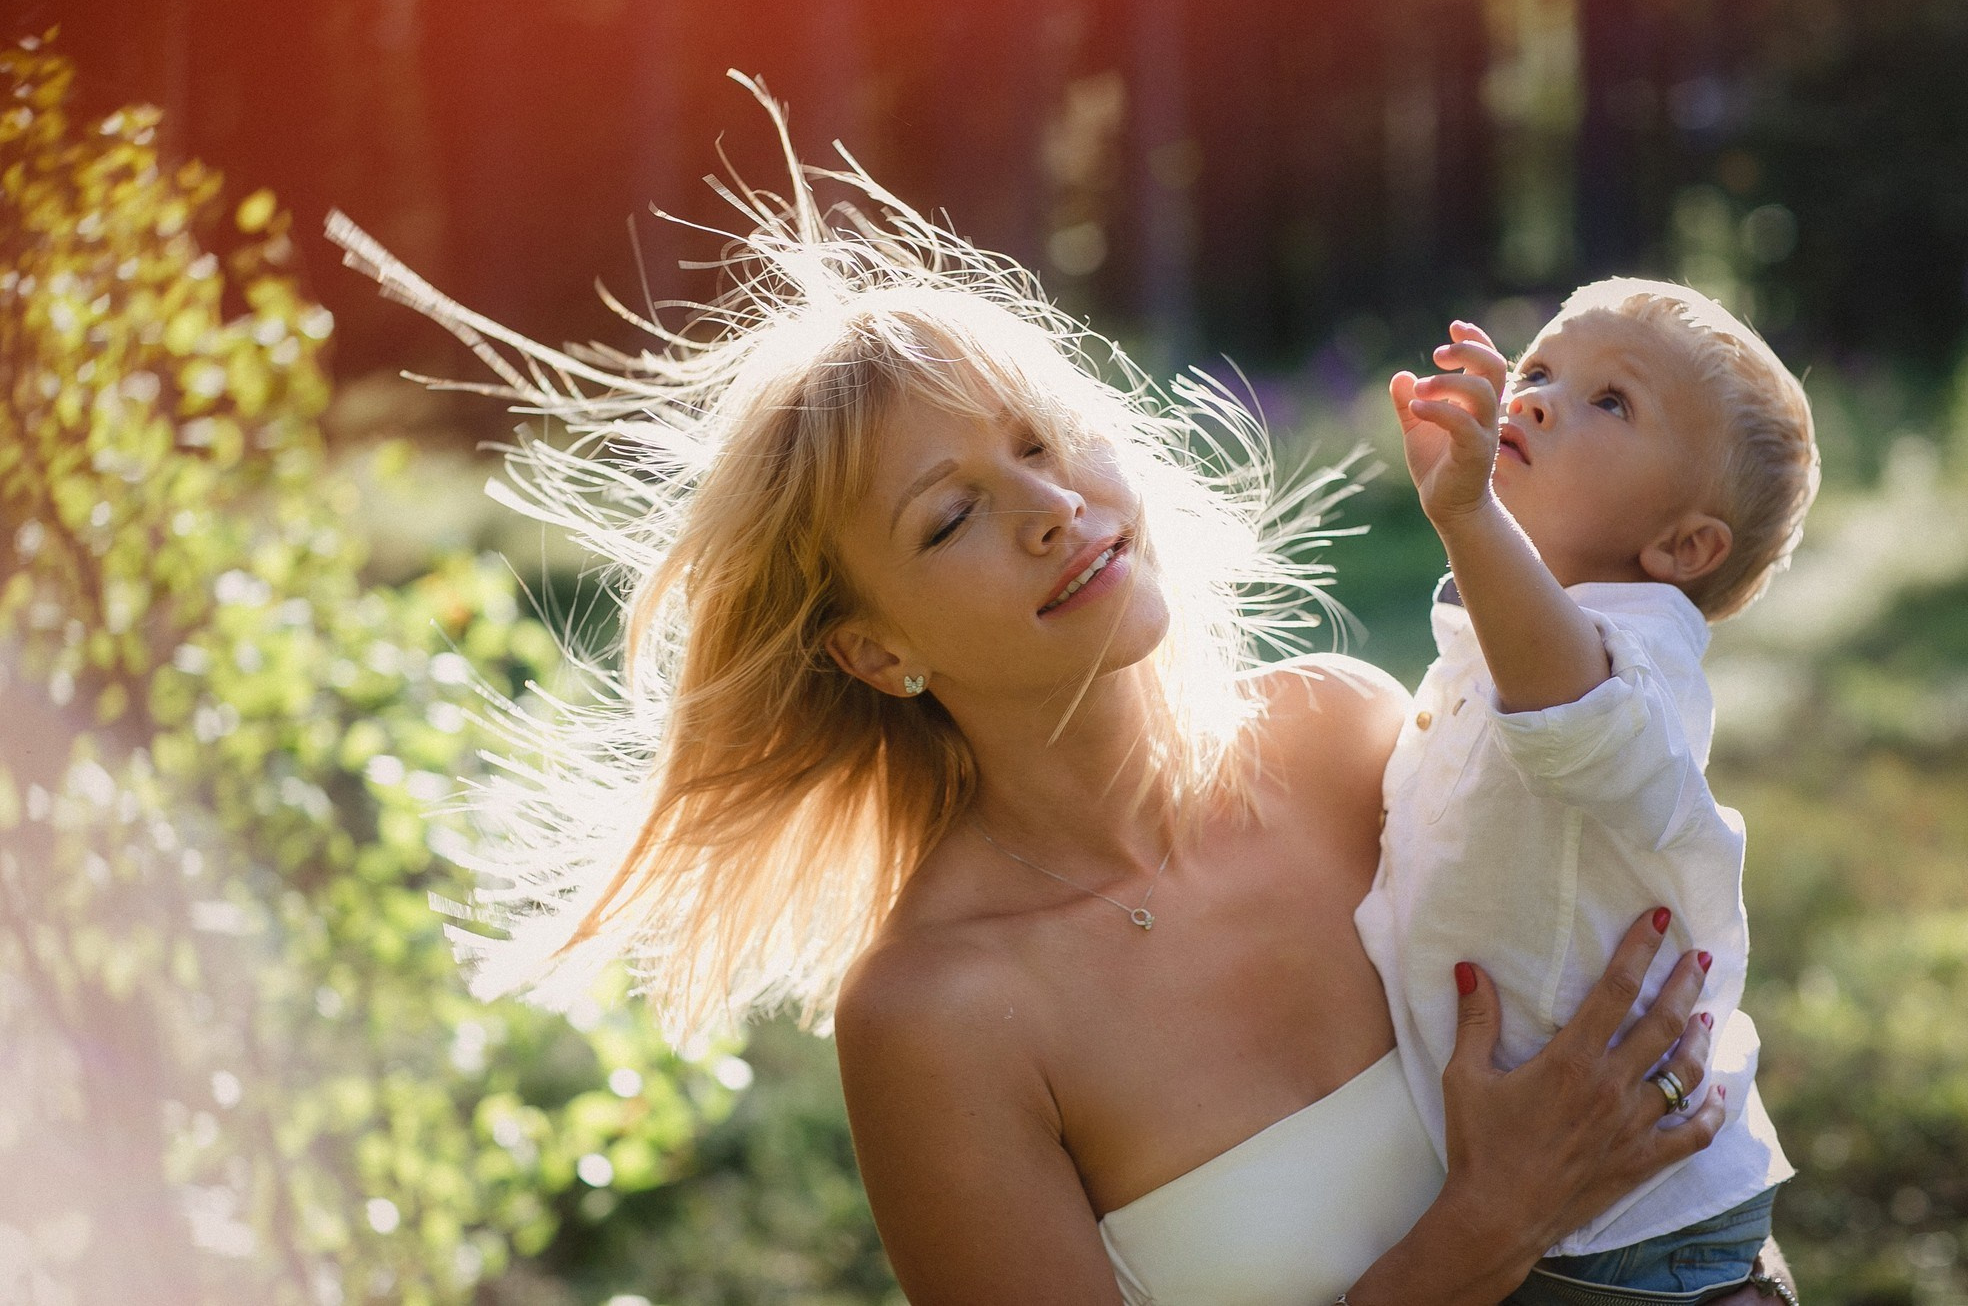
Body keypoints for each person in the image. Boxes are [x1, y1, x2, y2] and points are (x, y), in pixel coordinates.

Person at [327, 78, 1793, 1304]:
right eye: (948, 517)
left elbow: (1627, 901)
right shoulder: (937, 1018)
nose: (1049, 507)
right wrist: (1487, 1224)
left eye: (1042, 439)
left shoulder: (1350, 737)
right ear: (874, 649)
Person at [1363, 285, 1816, 1302]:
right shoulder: (1491, 647)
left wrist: (1470, 514)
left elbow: (1573, 716)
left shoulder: (1637, 650)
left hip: (1642, 1231)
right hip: (1555, 1205)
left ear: (1680, 549)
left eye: (1610, 401)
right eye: (1536, 372)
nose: (1532, 401)